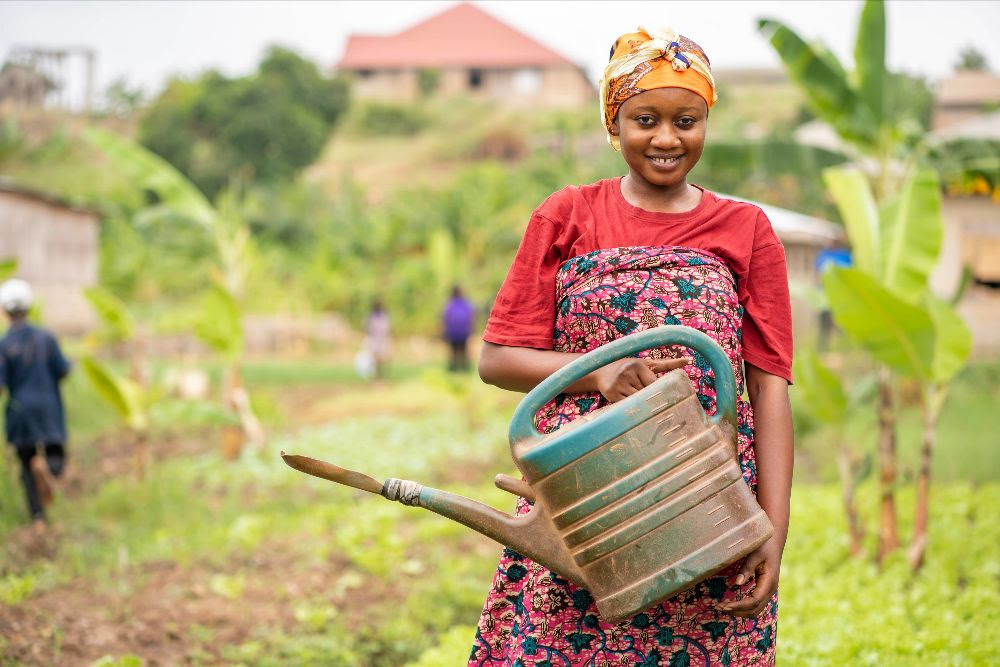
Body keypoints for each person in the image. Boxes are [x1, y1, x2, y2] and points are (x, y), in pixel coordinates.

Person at [468, 27, 794, 666]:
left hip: (708, 503)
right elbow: (497, 358)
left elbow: (769, 389)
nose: (667, 138)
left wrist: (771, 530)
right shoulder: (567, 215)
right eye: (645, 119)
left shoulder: (745, 229)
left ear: (706, 123)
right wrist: (602, 375)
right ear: (614, 124)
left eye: (687, 120)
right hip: (586, 499)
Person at [0, 279, 71, 533]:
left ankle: (39, 519)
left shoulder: (4, 344)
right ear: (29, 306)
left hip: (20, 411)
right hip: (48, 406)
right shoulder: (47, 338)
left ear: (5, 310)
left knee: (26, 466)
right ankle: (49, 470)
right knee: (56, 454)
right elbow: (63, 370)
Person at [442, 285, 476, 372]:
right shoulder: (466, 304)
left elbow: (445, 318)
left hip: (453, 332)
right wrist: (472, 329)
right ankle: (464, 368)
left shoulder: (449, 304)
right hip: (463, 331)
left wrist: (444, 332)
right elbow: (471, 317)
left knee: (454, 352)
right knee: (463, 351)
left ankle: (454, 369)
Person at [362, 299, 391, 380]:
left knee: (383, 358)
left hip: (382, 339)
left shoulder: (384, 316)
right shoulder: (370, 316)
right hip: (374, 339)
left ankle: (382, 375)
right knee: (374, 358)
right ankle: (375, 375)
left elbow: (388, 328)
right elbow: (367, 328)